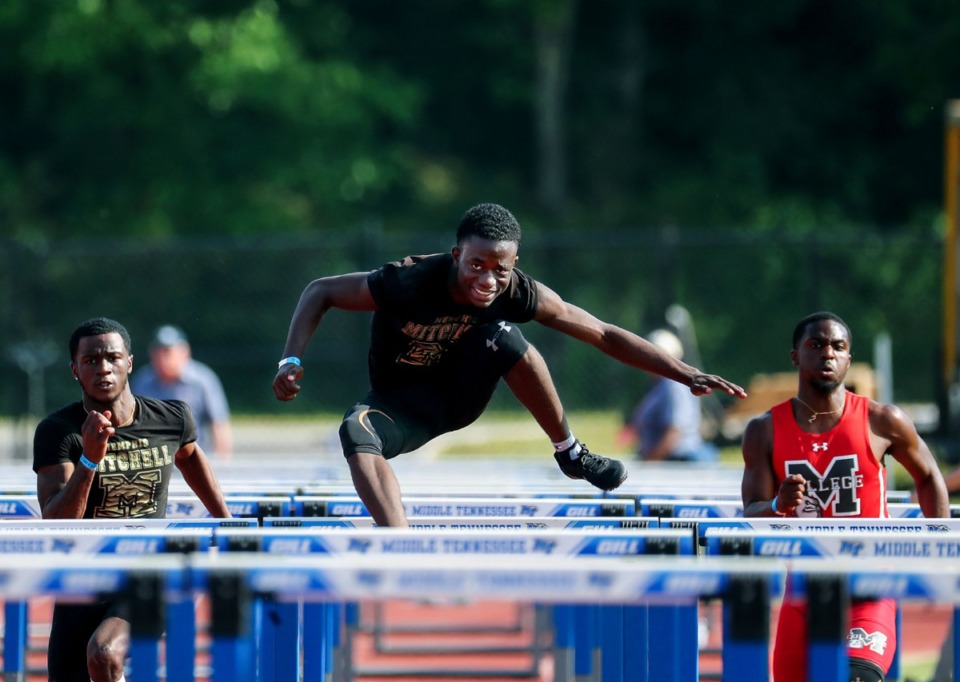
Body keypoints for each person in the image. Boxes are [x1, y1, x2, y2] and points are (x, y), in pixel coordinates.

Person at [272, 202, 746, 527]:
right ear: (457, 255)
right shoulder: (409, 280)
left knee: (506, 337)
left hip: (459, 397)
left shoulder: (517, 290)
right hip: (402, 402)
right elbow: (322, 291)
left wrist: (685, 374)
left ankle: (570, 452)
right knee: (355, 430)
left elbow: (602, 333)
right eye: (477, 264)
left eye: (502, 267)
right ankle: (400, 548)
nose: (489, 278)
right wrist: (292, 357)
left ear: (515, 262)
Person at [740, 311, 949, 682]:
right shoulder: (764, 430)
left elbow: (930, 477)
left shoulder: (883, 420)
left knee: (857, 678)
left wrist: (937, 551)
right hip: (804, 590)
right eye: (816, 345)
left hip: (870, 585)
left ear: (849, 359)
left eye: (838, 347)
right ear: (795, 356)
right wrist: (777, 505)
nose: (828, 354)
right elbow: (751, 514)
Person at [33, 317, 231, 682]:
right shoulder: (57, 432)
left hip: (148, 574)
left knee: (104, 654)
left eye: (112, 357)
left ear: (130, 362)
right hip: (83, 577)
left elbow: (191, 459)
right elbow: (57, 522)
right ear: (75, 369)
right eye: (91, 360)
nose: (103, 368)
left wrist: (227, 524)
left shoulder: (172, 417)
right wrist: (91, 457)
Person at [131, 324, 233, 460]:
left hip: (195, 461)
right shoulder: (142, 381)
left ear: (184, 352)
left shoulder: (202, 380)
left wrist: (222, 463)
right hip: (154, 463)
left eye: (167, 352)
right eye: (158, 352)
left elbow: (218, 423)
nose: (162, 358)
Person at [619, 328, 719, 463]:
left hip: (680, 463)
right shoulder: (659, 385)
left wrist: (649, 463)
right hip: (667, 461)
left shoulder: (673, 386)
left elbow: (674, 432)